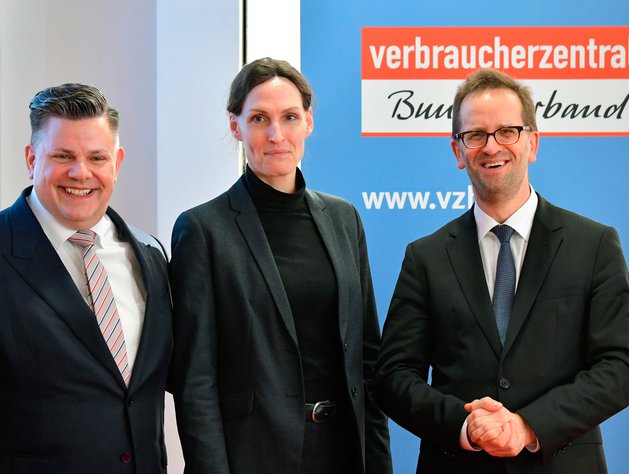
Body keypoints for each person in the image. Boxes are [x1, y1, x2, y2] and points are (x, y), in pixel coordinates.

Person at [374, 68, 629, 473]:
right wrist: (464, 425)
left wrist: (528, 426)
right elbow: (393, 377)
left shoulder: (595, 245)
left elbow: (618, 368)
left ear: (532, 142)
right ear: (457, 151)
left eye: (507, 131)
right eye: (475, 134)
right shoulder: (425, 257)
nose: (491, 146)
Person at [169, 57, 392, 474]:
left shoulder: (344, 219)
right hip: (253, 457)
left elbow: (368, 362)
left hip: (343, 452)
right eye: (258, 119)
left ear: (308, 121)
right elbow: (195, 381)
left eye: (289, 117)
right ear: (235, 126)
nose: (276, 135)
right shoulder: (203, 230)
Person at [0, 83, 172, 474]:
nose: (81, 173)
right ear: (31, 158)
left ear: (117, 162)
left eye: (97, 157)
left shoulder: (151, 254)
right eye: (63, 156)